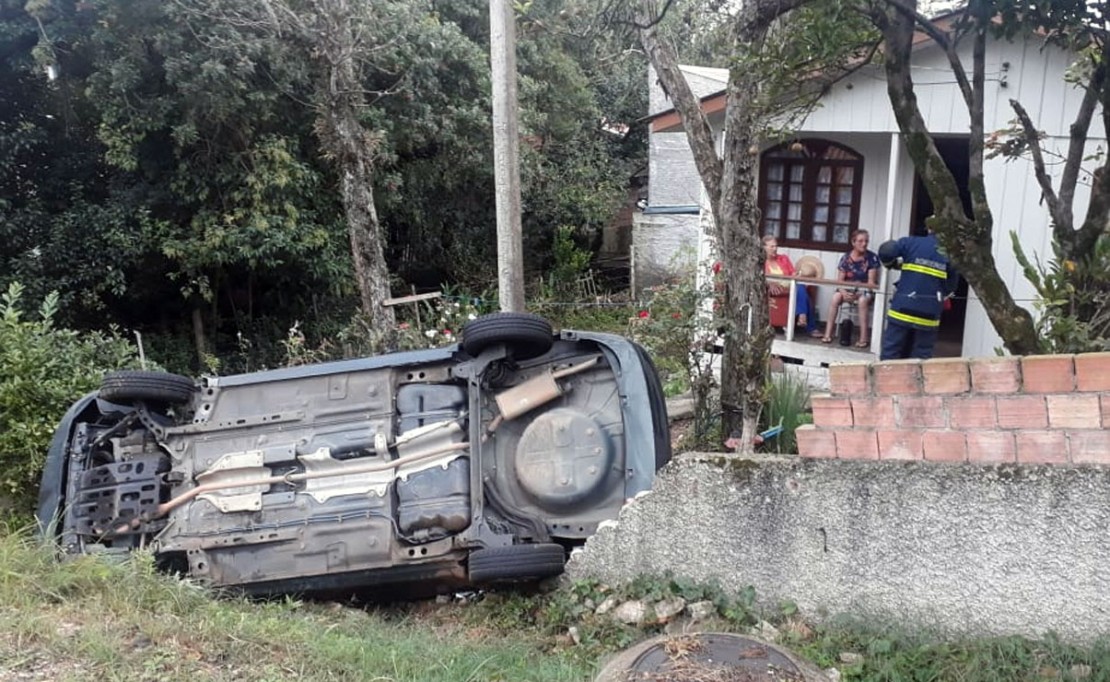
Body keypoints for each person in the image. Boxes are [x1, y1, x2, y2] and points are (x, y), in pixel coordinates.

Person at [877, 230, 957, 360]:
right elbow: (951, 286)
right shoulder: (950, 254)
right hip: (929, 315)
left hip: (901, 311)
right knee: (921, 358)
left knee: (891, 352)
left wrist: (891, 264)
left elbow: (886, 250)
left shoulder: (911, 242)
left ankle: (885, 378)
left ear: (929, 229)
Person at [815, 229, 880, 347]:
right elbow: (840, 281)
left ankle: (863, 338)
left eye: (866, 241)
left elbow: (871, 283)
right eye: (860, 241)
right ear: (853, 242)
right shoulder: (846, 258)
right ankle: (828, 334)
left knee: (862, 300)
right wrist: (843, 291)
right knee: (835, 297)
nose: (864, 244)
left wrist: (859, 293)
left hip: (865, 290)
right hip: (847, 289)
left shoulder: (872, 258)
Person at [762, 235, 815, 333]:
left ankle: (802, 316)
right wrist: (769, 283)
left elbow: (792, 273)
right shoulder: (761, 262)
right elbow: (760, 277)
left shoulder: (783, 258)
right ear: (764, 247)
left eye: (776, 246)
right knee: (803, 292)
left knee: (800, 287)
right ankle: (806, 321)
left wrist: (797, 274)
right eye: (772, 247)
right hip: (778, 288)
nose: (775, 249)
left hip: (790, 285)